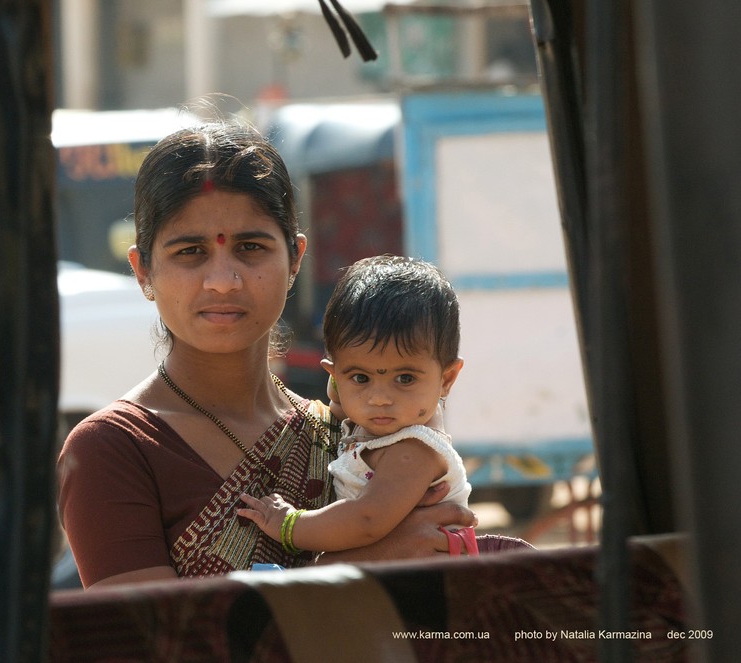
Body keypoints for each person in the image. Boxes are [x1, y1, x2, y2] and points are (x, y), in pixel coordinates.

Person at [56, 121, 476, 590]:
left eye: (250, 247)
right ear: (143, 272)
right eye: (190, 251)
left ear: (295, 259)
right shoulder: (114, 451)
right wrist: (370, 561)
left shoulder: (353, 431)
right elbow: (159, 644)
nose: (223, 280)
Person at [238, 256, 478, 557]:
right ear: (334, 376)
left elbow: (367, 520)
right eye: (361, 377)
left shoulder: (414, 448)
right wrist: (342, 389)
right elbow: (340, 409)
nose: (379, 398)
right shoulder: (384, 421)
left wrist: (288, 524)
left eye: (404, 378)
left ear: (447, 379)